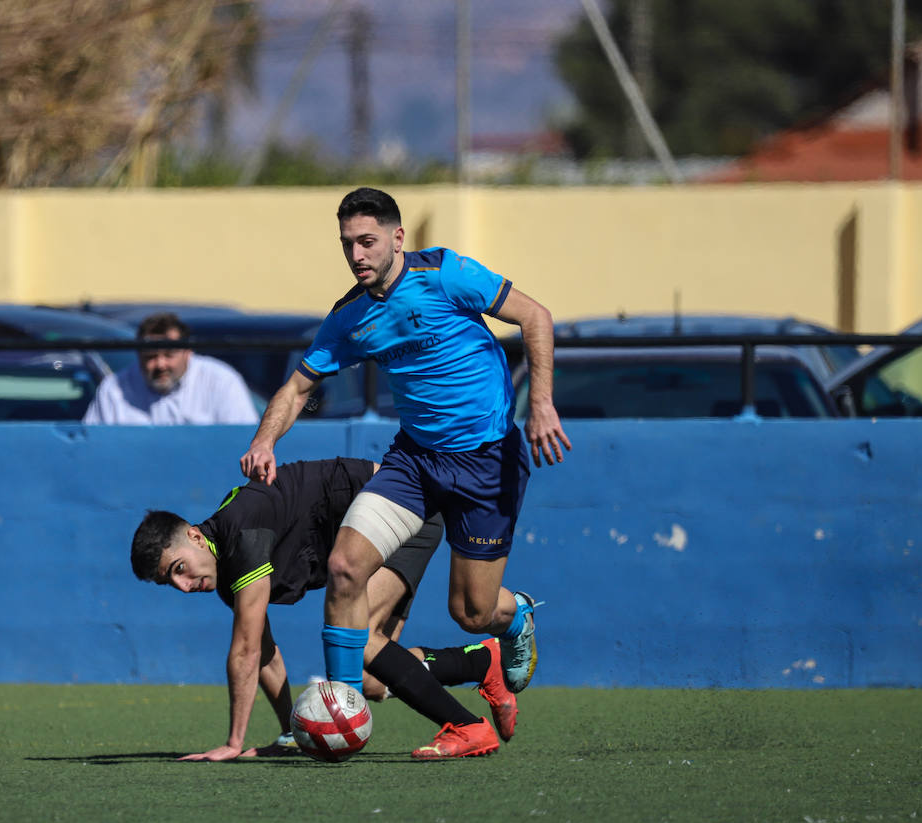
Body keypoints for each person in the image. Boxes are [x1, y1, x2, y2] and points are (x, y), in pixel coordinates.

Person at [240, 187, 571, 758]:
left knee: (472, 613)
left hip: (487, 461)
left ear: (397, 238)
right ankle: (343, 709)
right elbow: (296, 388)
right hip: (414, 462)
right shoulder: (350, 316)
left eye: (367, 241)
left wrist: (539, 404)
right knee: (344, 567)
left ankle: (514, 617)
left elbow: (535, 317)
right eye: (347, 244)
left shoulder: (445, 273)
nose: (357, 255)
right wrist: (265, 439)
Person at [131, 457, 518, 761]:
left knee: (360, 639)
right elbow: (264, 654)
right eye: (170, 583)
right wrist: (290, 733)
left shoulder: (241, 532)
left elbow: (246, 652)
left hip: (404, 510)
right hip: (385, 531)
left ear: (195, 537)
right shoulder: (227, 569)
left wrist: (234, 743)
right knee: (369, 681)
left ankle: (467, 726)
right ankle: (479, 662)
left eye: (178, 569)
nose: (183, 586)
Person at [82, 311, 259, 425]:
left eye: (169, 355)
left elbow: (243, 443)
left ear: (188, 352)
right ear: (138, 354)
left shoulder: (221, 382)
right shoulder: (113, 389)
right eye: (150, 356)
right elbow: (92, 445)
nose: (160, 364)